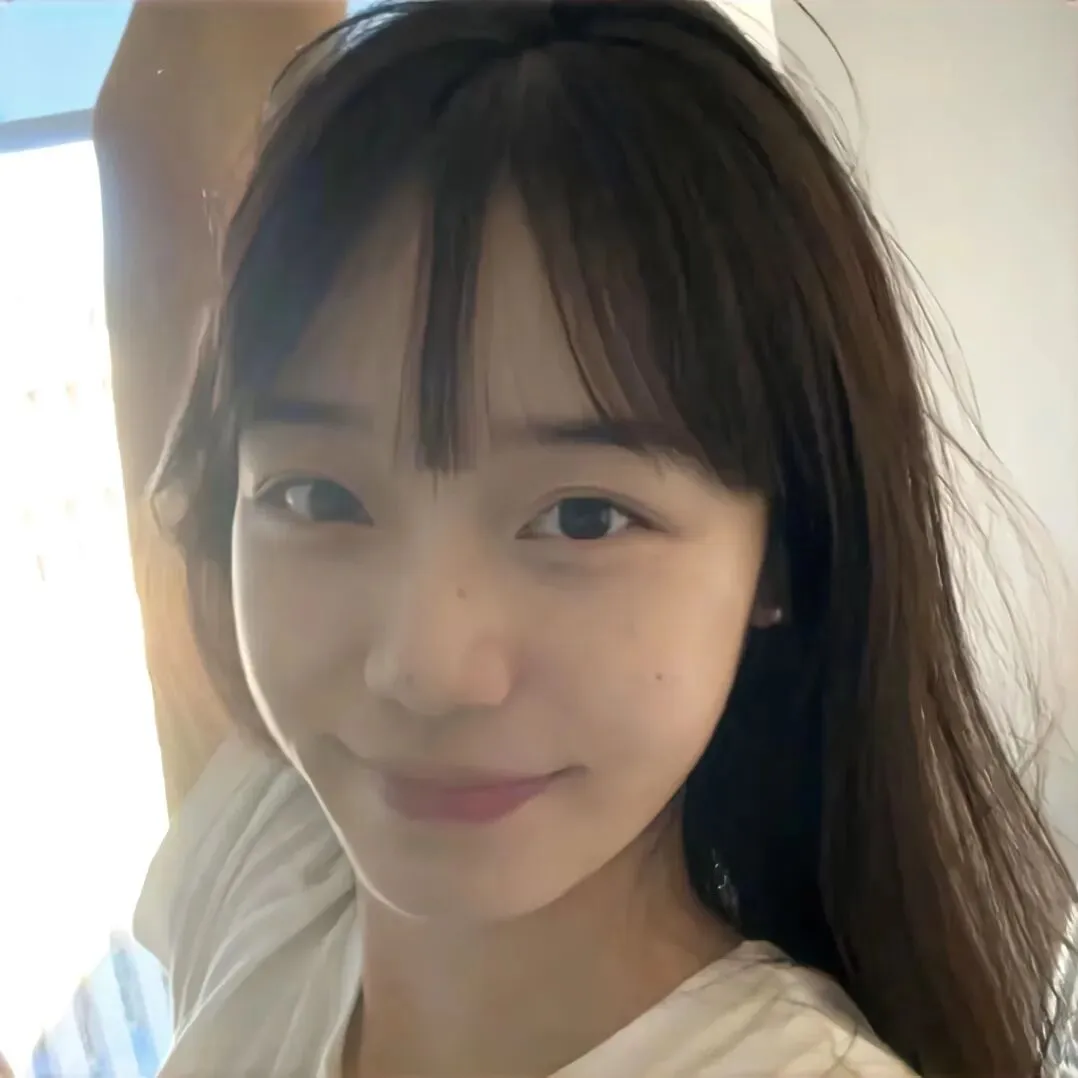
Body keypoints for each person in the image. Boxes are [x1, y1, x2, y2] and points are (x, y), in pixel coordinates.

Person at [93, 2, 1076, 1076]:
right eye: (319, 496)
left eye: (583, 516)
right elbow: (159, 164)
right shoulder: (277, 859)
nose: (424, 668)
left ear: (783, 552)